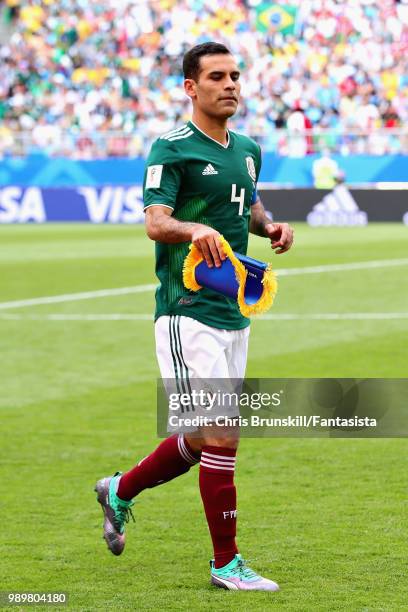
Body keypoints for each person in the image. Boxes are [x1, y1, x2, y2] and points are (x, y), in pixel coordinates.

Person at [95, 42, 294, 592]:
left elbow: (246, 206)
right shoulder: (172, 148)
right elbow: (157, 223)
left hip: (233, 310)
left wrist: (270, 227)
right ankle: (225, 563)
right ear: (191, 87)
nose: (230, 84)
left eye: (235, 75)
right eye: (217, 76)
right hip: (187, 313)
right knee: (222, 433)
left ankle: (119, 490)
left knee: (204, 436)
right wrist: (194, 229)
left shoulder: (249, 148)